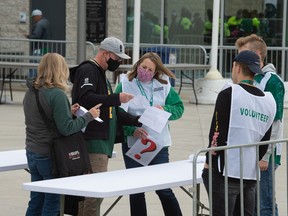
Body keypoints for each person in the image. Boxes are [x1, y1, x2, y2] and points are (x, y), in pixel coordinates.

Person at [70, 36, 142, 216]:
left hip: (102, 143)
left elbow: (112, 109)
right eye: (116, 58)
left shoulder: (101, 74)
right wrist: (116, 98)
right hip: (93, 141)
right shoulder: (89, 70)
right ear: (105, 53)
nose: (118, 62)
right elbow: (85, 98)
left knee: (89, 193)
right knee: (93, 194)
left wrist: (137, 120)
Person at [23, 53, 101, 216]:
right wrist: (89, 116)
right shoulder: (57, 94)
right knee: (52, 201)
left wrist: (67, 111)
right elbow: (66, 128)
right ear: (60, 69)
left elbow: (42, 117)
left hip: (32, 151)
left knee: (36, 199)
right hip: (49, 154)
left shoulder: (31, 91)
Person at [201, 50, 276, 216]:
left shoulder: (229, 93)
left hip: (225, 169)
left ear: (236, 67)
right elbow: (265, 140)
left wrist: (209, 160)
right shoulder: (269, 100)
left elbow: (217, 132)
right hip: (250, 172)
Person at [114, 52, 184, 216]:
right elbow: (116, 114)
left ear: (156, 72)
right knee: (136, 190)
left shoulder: (164, 84)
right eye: (143, 67)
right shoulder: (125, 84)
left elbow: (179, 108)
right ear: (137, 66)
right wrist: (132, 130)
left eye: (150, 69)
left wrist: (165, 109)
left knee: (163, 189)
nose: (145, 71)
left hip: (159, 144)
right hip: (134, 144)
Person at [235, 34, 285, 216]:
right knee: (254, 203)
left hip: (265, 154)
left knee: (265, 204)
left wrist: (266, 154)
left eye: (243, 54)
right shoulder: (255, 78)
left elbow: (276, 121)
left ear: (257, 54)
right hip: (252, 150)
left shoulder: (272, 81)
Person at [25, 9, 52, 78]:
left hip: (38, 48)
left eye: (34, 17)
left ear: (37, 16)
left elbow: (36, 35)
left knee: (34, 64)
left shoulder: (39, 24)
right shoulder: (46, 22)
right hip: (45, 47)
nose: (33, 19)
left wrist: (29, 36)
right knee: (43, 64)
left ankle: (32, 80)